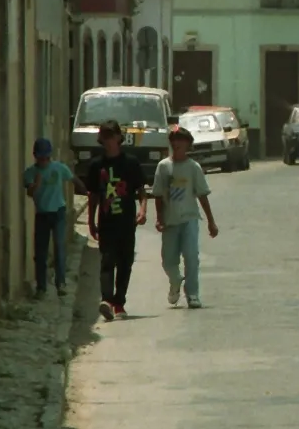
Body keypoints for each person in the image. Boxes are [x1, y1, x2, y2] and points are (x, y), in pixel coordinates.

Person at [84, 121, 147, 321]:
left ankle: (119, 303)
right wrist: (91, 221)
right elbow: (93, 195)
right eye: (105, 137)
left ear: (119, 138)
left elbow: (141, 190)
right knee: (107, 261)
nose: (109, 141)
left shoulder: (130, 163)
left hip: (127, 221)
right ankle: (106, 301)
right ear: (101, 139)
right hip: (107, 221)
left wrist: (143, 210)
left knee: (125, 261)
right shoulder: (96, 165)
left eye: (112, 136)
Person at [152, 126, 218, 309]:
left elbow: (202, 195)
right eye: (174, 139)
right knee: (168, 260)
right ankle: (175, 281)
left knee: (191, 256)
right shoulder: (163, 166)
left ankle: (193, 294)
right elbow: (158, 194)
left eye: (181, 140)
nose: (177, 143)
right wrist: (159, 218)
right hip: (170, 220)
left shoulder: (193, 167)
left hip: (189, 218)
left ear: (188, 144)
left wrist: (211, 221)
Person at [22, 138, 78, 296]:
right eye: (41, 158)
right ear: (36, 157)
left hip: (58, 212)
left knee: (59, 247)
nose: (44, 161)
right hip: (42, 214)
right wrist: (36, 185)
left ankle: (61, 283)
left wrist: (88, 191)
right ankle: (41, 286)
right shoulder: (31, 173)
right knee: (41, 252)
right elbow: (29, 192)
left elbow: (73, 179)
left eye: (46, 157)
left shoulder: (58, 168)